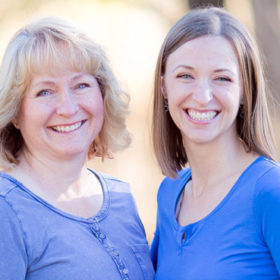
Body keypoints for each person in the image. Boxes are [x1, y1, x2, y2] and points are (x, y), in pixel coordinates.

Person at [0, 17, 154, 280]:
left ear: (102, 95)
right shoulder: (6, 210)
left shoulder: (120, 196)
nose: (68, 108)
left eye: (81, 85)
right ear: (15, 111)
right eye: (45, 92)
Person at [151, 7, 280, 280]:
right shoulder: (169, 193)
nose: (202, 96)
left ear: (246, 90)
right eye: (185, 76)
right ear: (164, 87)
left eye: (222, 78)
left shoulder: (270, 192)